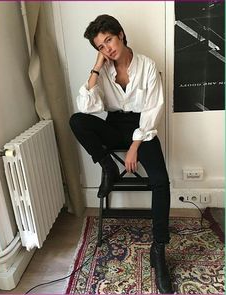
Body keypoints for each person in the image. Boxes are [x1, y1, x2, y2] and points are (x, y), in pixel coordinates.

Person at [70, 14, 173, 294]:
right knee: (76, 121)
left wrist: (135, 146)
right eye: (101, 47)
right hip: (115, 124)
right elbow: (86, 107)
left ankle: (159, 250)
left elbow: (152, 111)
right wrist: (96, 68)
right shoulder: (102, 71)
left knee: (161, 182)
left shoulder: (148, 66)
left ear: (121, 34)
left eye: (109, 40)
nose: (108, 49)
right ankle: (108, 167)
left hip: (143, 127)